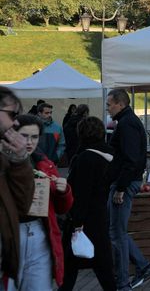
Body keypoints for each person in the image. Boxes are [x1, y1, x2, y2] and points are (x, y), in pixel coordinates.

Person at [9, 115, 73, 291]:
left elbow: (62, 207)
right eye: (24, 136)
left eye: (34, 137)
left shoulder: (44, 164)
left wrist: (63, 191)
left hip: (39, 232)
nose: (29, 142)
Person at [105, 89, 150, 291]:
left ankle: (123, 282)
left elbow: (131, 160)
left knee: (117, 235)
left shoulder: (127, 124)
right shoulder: (127, 122)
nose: (108, 108)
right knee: (117, 232)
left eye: (109, 104)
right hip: (124, 182)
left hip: (124, 183)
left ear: (120, 103)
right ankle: (143, 266)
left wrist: (120, 187)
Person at [59, 116, 115, 291]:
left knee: (70, 265)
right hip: (101, 216)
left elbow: (82, 193)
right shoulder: (110, 154)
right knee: (103, 267)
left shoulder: (85, 158)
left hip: (85, 220)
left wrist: (77, 222)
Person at [0, 87, 35, 288]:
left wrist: (20, 161)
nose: (15, 122)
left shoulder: (5, 158)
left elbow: (22, 205)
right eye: (12, 114)